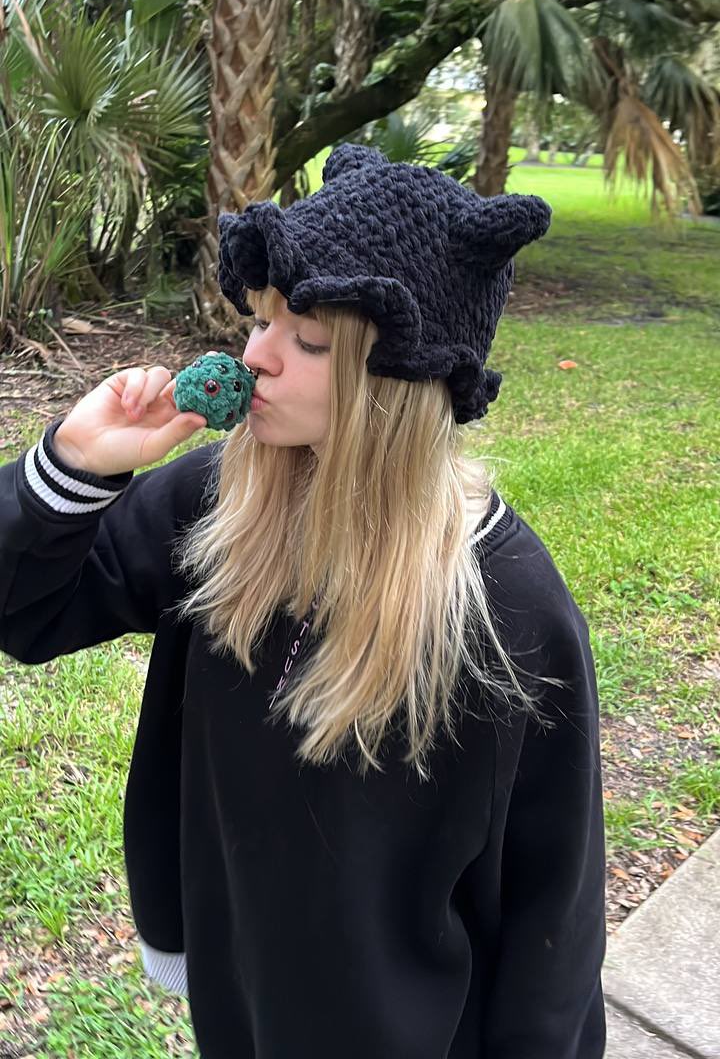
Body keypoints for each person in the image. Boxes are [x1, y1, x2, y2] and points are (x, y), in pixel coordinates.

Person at [0, 143, 607, 1057]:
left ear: (399, 382)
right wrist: (76, 466)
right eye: (260, 321)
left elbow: (554, 910)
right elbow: (26, 612)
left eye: (309, 340)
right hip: (237, 990)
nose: (255, 356)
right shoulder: (219, 503)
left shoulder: (506, 609)